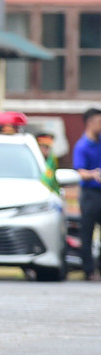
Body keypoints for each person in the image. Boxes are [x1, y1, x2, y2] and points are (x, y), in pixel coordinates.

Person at [73, 109, 101, 281]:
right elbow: (80, 171)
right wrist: (93, 174)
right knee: (87, 232)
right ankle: (89, 270)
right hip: (90, 194)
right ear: (90, 122)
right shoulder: (82, 145)